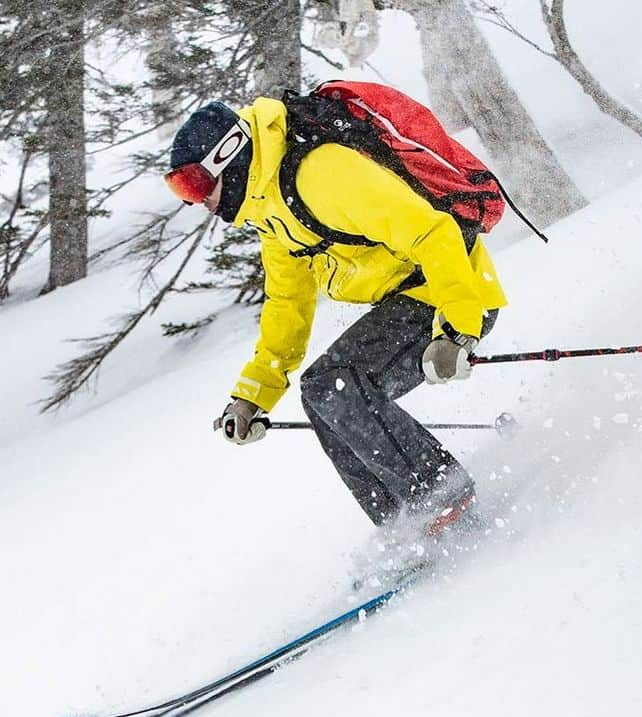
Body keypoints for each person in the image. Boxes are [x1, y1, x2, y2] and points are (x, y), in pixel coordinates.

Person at [165, 96, 508, 537]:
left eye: (193, 184)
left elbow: (432, 231)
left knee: (336, 384)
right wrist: (253, 395)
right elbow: (288, 305)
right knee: (321, 394)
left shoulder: (321, 174)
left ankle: (442, 498)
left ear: (227, 155)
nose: (195, 202)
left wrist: (458, 329)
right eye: (180, 191)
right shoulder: (271, 212)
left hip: (451, 294)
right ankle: (404, 526)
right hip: (413, 301)